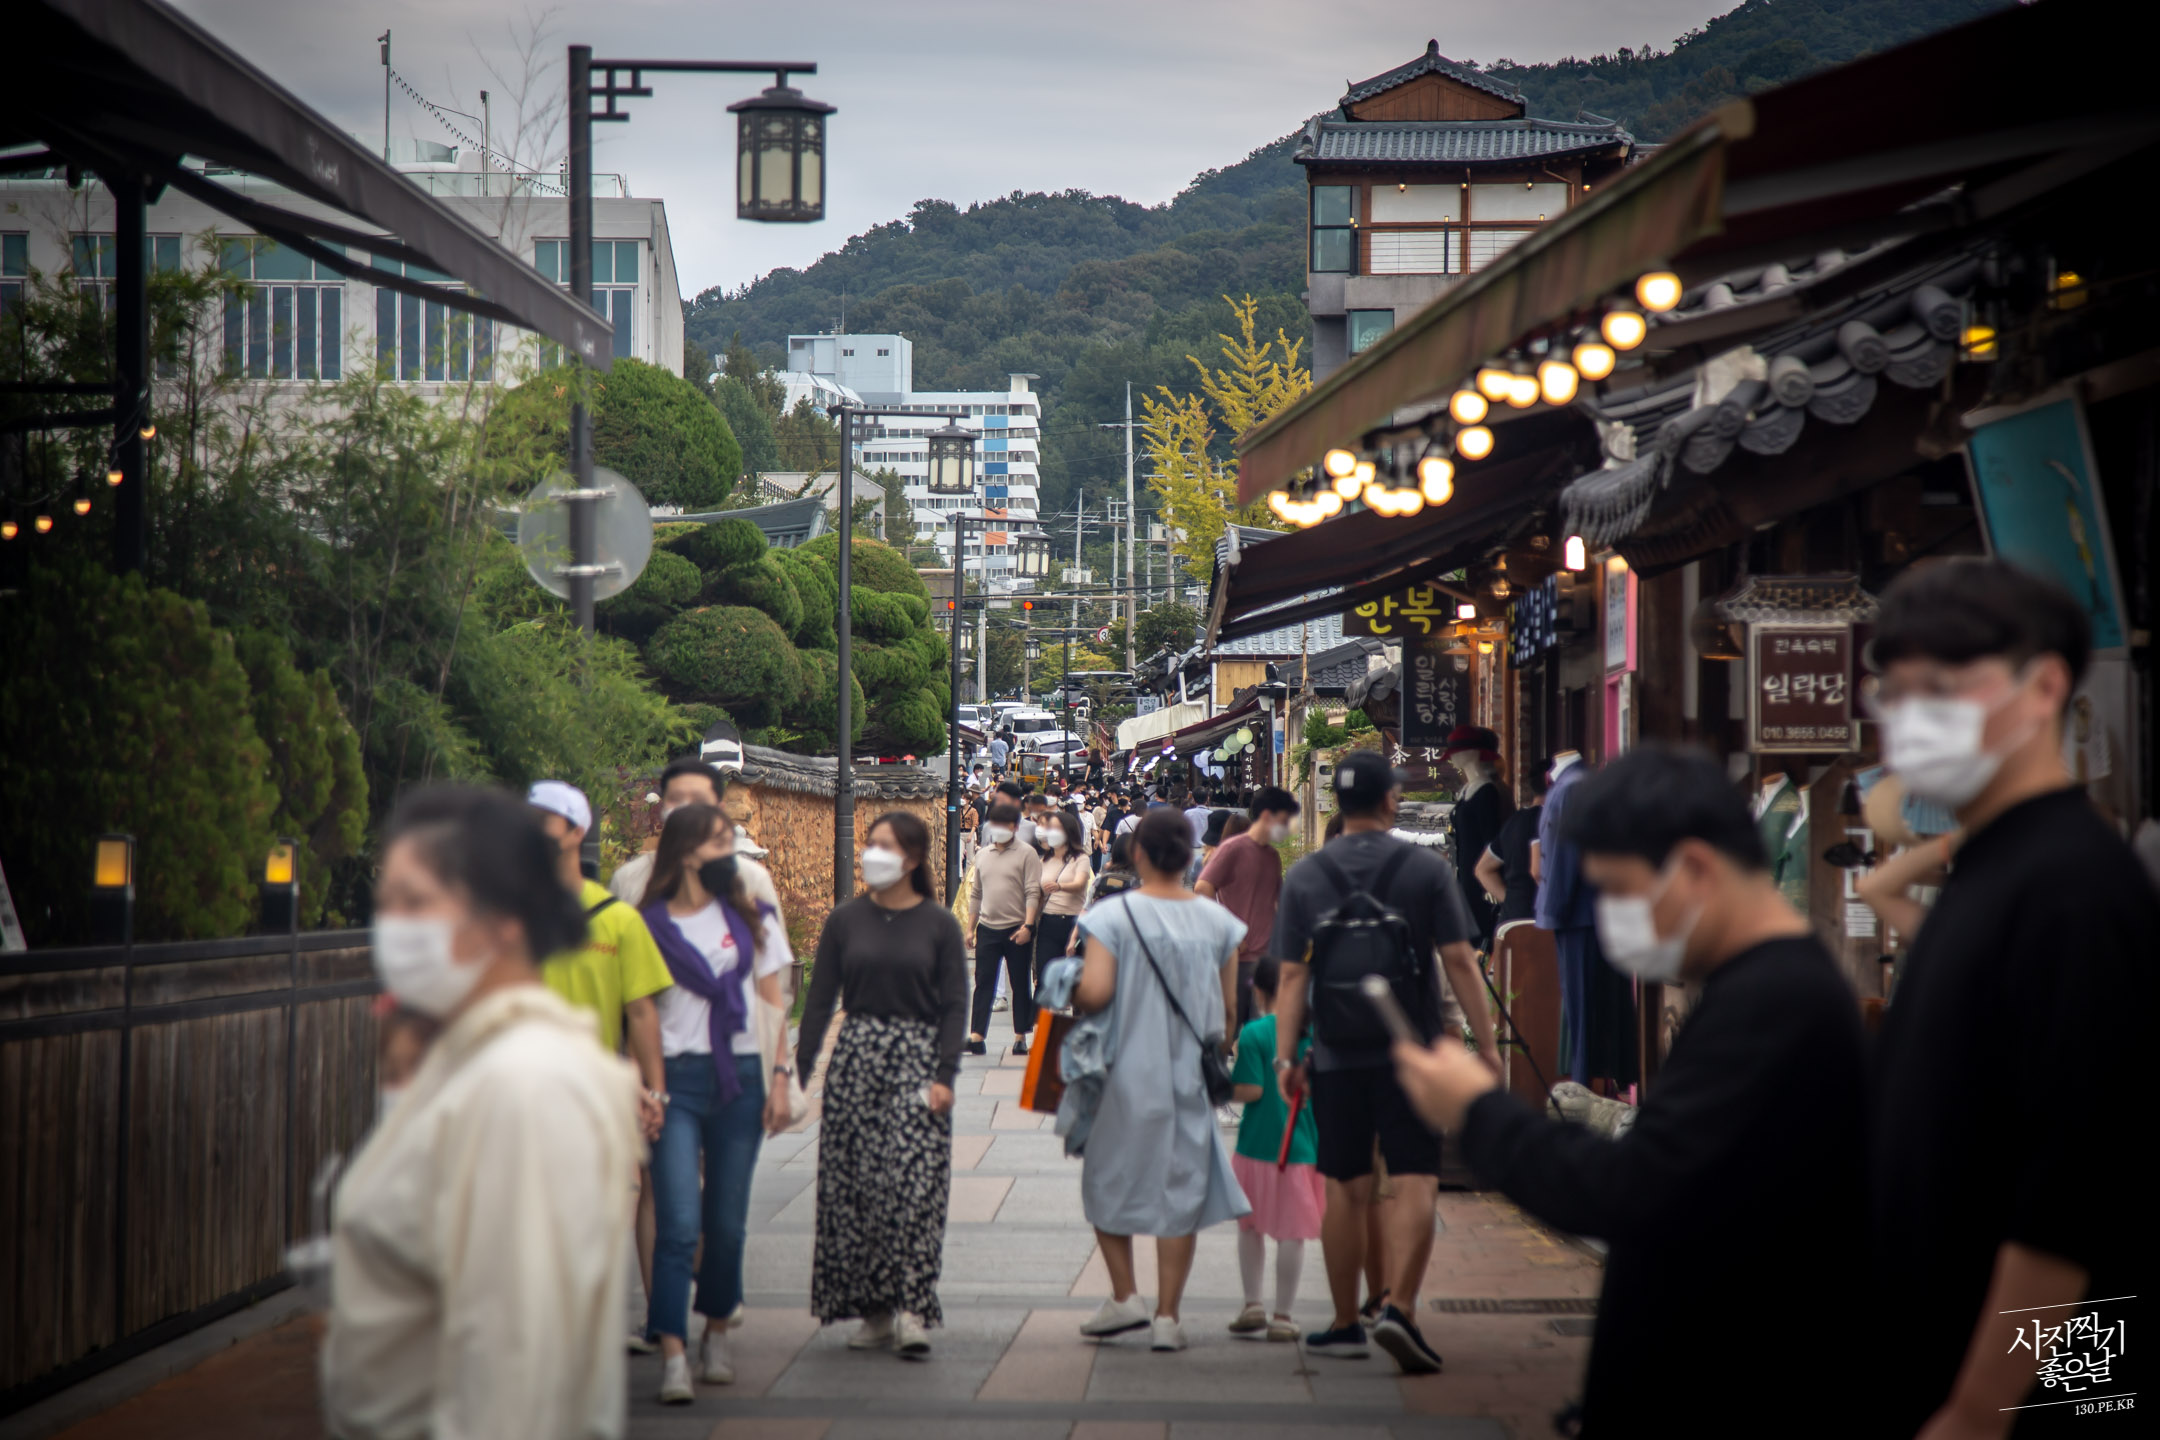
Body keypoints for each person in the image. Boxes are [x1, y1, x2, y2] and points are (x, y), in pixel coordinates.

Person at [1389, 745, 1867, 1436]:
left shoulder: (1777, 1003)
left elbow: (1633, 1189)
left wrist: (1479, 1112)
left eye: (1618, 890)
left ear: (1694, 869)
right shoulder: (1759, 987)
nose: (1612, 915)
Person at [1862, 559, 2149, 1434]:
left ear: (2044, 687)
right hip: (1940, 1353)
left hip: (2032, 1391)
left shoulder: (2076, 887)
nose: (1913, 716)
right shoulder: (1993, 867)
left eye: (1942, 688)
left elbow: (2080, 1191)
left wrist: (1985, 1407)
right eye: (1896, 692)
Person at [324, 785, 641, 1440]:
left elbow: (511, 1361)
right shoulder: (474, 1063)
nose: (395, 927)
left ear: (505, 921)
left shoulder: (521, 1085)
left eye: (416, 903)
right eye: (387, 904)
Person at [1270, 750, 1495, 1375]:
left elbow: (1292, 978)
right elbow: (1459, 961)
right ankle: (1400, 1309)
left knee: (1344, 1187)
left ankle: (1346, 1322)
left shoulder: (1307, 876)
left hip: (1335, 1054)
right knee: (1416, 1178)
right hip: (1411, 1054)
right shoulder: (1424, 869)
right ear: (1389, 800)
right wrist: (1486, 1046)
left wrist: (1287, 1057)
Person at [1070, 808, 1251, 1353]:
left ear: (1138, 854)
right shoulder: (1219, 923)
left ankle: (1125, 1295)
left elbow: (1095, 994)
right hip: (1188, 1077)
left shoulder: (1112, 917)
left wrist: (1066, 984)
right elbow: (1228, 1017)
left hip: (1121, 1075)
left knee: (1106, 1179)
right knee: (1180, 1188)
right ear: (1191, 857)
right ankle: (1168, 1316)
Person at [636, 804, 794, 1402]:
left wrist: (780, 1077)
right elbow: (637, 1012)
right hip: (674, 1080)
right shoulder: (646, 924)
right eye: (717, 842)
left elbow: (773, 1003)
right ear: (683, 852)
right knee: (678, 1222)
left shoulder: (751, 918)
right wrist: (647, 1088)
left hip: (740, 1079)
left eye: (730, 841)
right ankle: (673, 1352)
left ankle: (717, 1331)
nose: (729, 853)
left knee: (725, 1225)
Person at [796, 813, 969, 1359]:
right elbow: (819, 1001)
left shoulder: (938, 924)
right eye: (870, 843)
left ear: (912, 858)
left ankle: (913, 1307)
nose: (872, 853)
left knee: (915, 1184)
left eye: (885, 846)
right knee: (858, 1188)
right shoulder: (846, 921)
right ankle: (873, 1311)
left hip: (917, 1058)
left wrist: (945, 1074)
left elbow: (954, 1003)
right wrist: (798, 1075)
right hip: (858, 1059)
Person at [526, 781, 669, 1143]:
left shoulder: (618, 919)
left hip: (592, 1093)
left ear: (577, 831)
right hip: (519, 1092)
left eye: (543, 820)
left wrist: (654, 1090)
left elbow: (641, 1011)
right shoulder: (506, 917)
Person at [1226, 958, 1322, 1344]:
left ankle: (1253, 1303)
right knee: (1291, 1233)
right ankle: (1283, 1316)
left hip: (1254, 1146)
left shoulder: (1254, 1033)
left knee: (1249, 1227)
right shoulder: (1313, 1033)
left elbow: (1251, 1091)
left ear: (1259, 991)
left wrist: (1223, 1084)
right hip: (1300, 1147)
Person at [1537, 749, 1636, 1087]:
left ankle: (1584, 1081)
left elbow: (1565, 855)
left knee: (1582, 1005)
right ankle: (1589, 1078)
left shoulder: (1572, 787)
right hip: (1581, 911)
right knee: (1581, 1004)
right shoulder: (1571, 784)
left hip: (1578, 913)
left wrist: (1554, 908)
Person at [611, 759, 784, 933]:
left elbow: (772, 947)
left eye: (699, 799)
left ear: (719, 809)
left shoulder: (750, 878)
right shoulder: (628, 879)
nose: (687, 808)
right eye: (676, 799)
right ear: (663, 807)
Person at [1198, 786, 1299, 1027]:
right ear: (1267, 816)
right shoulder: (1232, 848)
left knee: (1261, 1029)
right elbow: (1202, 888)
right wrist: (1228, 932)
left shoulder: (1272, 856)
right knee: (1230, 1028)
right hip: (1238, 958)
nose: (1287, 828)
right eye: (1284, 820)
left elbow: (1279, 902)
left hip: (1268, 958)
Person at [966, 800, 1042, 1057]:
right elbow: (976, 893)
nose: (998, 828)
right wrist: (970, 928)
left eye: (1004, 824)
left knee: (1020, 984)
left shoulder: (1027, 854)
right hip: (987, 927)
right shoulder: (983, 855)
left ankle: (1020, 1036)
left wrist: (1028, 925)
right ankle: (977, 1036)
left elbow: (1033, 892)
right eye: (995, 823)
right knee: (983, 982)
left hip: (1017, 928)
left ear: (1015, 827)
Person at [1439, 726, 1513, 947]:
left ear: (1473, 753)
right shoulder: (1468, 791)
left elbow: (1492, 839)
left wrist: (1492, 880)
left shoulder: (1487, 792)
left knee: (1480, 938)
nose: (1453, 757)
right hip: (1466, 876)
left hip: (1482, 880)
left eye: (1457, 751)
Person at [1476, 759, 1547, 928]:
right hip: (1541, 921)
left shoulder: (1515, 821)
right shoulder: (1550, 820)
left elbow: (1483, 869)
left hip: (1512, 920)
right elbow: (1538, 871)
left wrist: (1511, 901)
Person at [1037, 811, 1092, 966]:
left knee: (1072, 974)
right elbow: (1038, 894)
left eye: (1056, 828)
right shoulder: (1044, 860)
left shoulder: (1081, 859)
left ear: (1069, 831)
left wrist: (1060, 886)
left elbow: (1079, 884)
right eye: (1050, 828)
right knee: (1045, 972)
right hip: (1048, 921)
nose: (1051, 832)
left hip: (1072, 922)